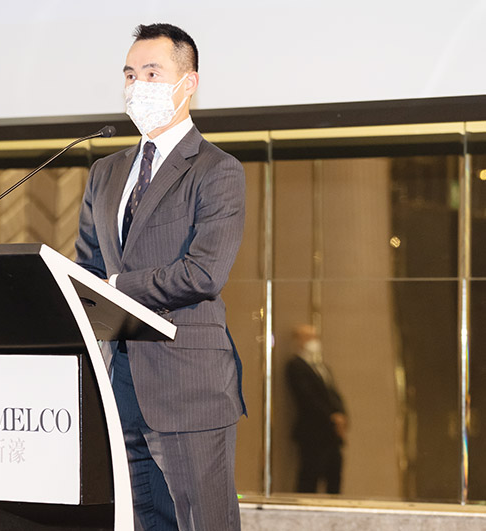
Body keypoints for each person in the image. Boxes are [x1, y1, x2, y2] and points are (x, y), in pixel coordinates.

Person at [75, 23, 246, 531]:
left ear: (188, 83)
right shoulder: (106, 172)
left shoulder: (216, 169)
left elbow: (204, 272)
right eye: (130, 75)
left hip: (189, 384)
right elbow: (88, 266)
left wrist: (115, 289)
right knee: (142, 520)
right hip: (120, 382)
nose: (137, 86)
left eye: (152, 73)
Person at [286, 324, 348, 494]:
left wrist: (341, 415)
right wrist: (330, 416)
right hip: (312, 433)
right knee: (309, 478)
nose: (313, 341)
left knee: (334, 477)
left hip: (331, 434)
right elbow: (308, 397)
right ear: (298, 341)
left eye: (314, 337)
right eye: (308, 337)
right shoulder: (295, 366)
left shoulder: (322, 367)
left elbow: (333, 393)